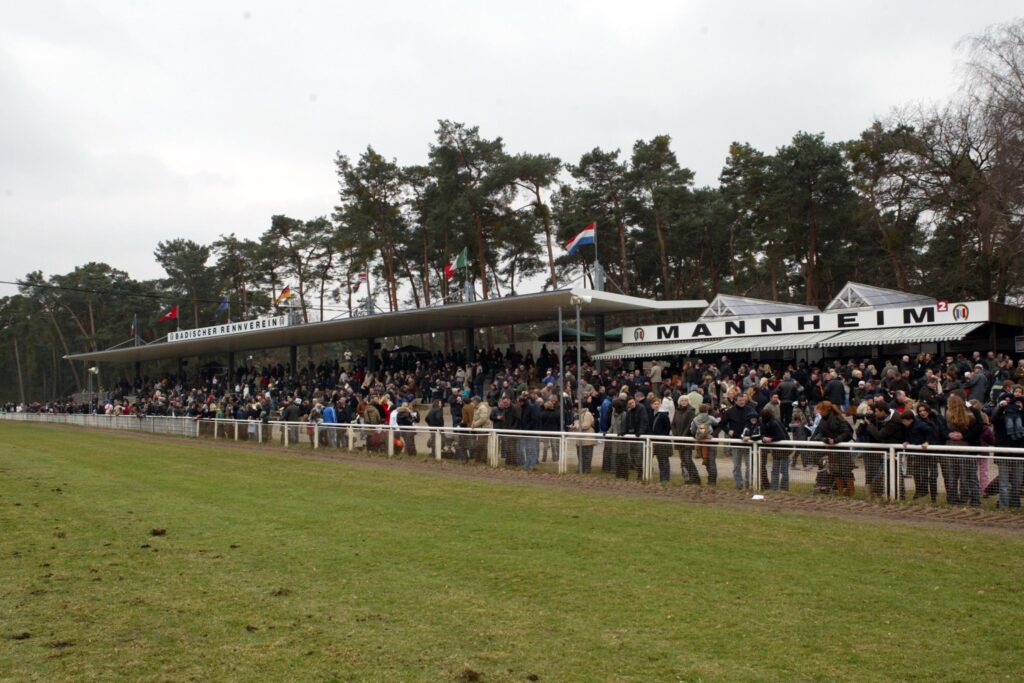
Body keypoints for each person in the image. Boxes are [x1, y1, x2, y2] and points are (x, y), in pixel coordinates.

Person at [944, 394, 983, 507]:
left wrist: (951, 434)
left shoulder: (947, 416)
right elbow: (979, 426)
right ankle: (963, 499)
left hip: (952, 446)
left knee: (952, 476)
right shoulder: (970, 416)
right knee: (964, 475)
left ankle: (952, 499)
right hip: (964, 446)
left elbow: (943, 428)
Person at [810, 400, 854, 496]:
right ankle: (841, 493)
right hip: (832, 451)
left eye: (821, 410)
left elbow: (847, 433)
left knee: (846, 472)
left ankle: (851, 492)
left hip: (842, 450)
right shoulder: (822, 421)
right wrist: (825, 439)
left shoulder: (839, 419)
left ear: (827, 410)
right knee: (836, 472)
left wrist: (835, 440)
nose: (820, 412)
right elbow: (817, 435)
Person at [721, 393, 757, 489]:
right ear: (735, 401)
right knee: (737, 465)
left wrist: (752, 434)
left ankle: (749, 483)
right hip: (736, 442)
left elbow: (757, 422)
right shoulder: (729, 412)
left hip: (748, 443)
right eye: (740, 400)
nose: (742, 402)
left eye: (743, 400)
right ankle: (739, 484)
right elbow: (722, 424)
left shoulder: (750, 410)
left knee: (750, 465)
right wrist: (728, 431)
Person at [672, 396, 700, 485]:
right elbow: (673, 424)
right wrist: (675, 434)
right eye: (682, 400)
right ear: (679, 402)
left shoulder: (691, 411)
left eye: (686, 400)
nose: (684, 402)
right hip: (678, 439)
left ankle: (695, 478)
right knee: (683, 460)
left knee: (688, 459)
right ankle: (688, 478)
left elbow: (690, 425)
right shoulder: (677, 411)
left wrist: (683, 436)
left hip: (686, 439)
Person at [689, 404, 719, 485]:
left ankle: (710, 478)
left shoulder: (695, 419)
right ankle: (712, 481)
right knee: (712, 461)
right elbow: (717, 423)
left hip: (701, 441)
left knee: (706, 461)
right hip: (710, 439)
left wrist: (699, 433)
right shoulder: (710, 417)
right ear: (707, 410)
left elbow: (693, 430)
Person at [761, 408, 790, 491]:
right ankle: (774, 488)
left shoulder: (774, 423)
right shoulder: (765, 422)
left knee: (783, 470)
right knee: (775, 469)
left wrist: (771, 439)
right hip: (776, 449)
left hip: (785, 449)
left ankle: (783, 489)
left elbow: (782, 437)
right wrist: (763, 437)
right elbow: (762, 433)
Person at [651, 399, 673, 483]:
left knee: (664, 460)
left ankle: (665, 478)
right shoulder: (653, 415)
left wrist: (662, 436)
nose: (656, 405)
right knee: (660, 460)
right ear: (652, 405)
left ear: (660, 405)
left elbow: (667, 427)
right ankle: (662, 478)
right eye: (654, 404)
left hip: (663, 441)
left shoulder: (663, 415)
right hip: (656, 441)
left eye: (658, 404)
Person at [572, 405, 596, 473]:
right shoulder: (578, 415)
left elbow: (586, 425)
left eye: (576, 409)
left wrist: (576, 427)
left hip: (587, 439)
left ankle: (587, 469)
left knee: (587, 456)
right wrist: (574, 426)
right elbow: (577, 424)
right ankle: (581, 468)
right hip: (580, 439)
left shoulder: (587, 414)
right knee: (580, 455)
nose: (575, 410)